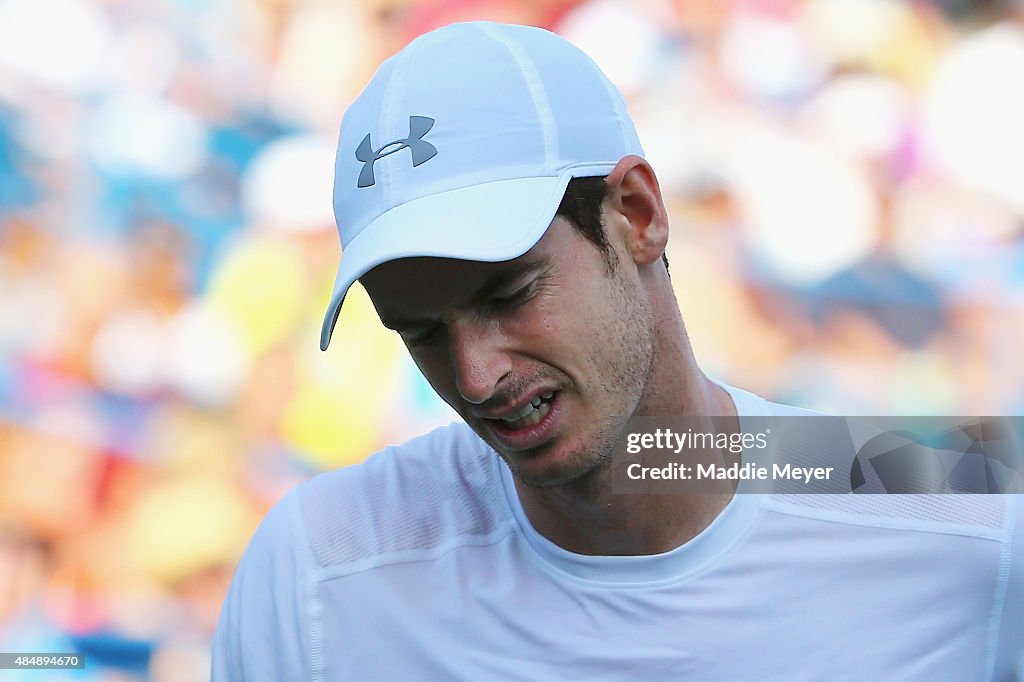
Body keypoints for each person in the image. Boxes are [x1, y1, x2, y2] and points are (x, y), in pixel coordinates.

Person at [211, 21, 1023, 680]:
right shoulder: (320, 568)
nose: (475, 375)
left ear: (636, 214)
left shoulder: (968, 516)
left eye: (509, 294)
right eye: (418, 330)